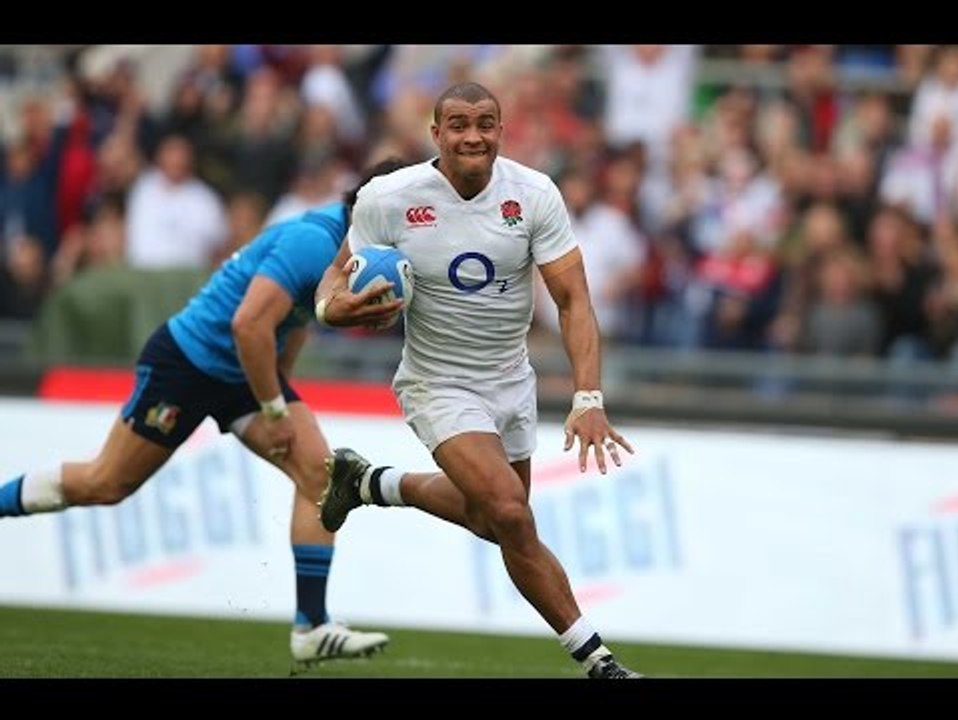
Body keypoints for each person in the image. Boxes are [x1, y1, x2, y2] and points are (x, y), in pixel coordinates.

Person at [0, 158, 407, 666]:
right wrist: (276, 410)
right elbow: (247, 326)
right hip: (188, 363)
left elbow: (293, 317)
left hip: (245, 372)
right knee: (105, 483)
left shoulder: (349, 247)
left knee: (323, 477)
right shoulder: (313, 242)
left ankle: (311, 626)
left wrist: (278, 385)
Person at [314, 82, 641, 679]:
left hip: (511, 380)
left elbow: (573, 300)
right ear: (435, 134)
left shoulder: (534, 194)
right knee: (511, 515)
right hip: (437, 381)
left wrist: (588, 397)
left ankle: (370, 482)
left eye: (485, 123)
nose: (473, 136)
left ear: (500, 130)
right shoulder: (389, 198)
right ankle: (599, 662)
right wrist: (331, 310)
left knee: (493, 518)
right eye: (459, 124)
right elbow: (333, 282)